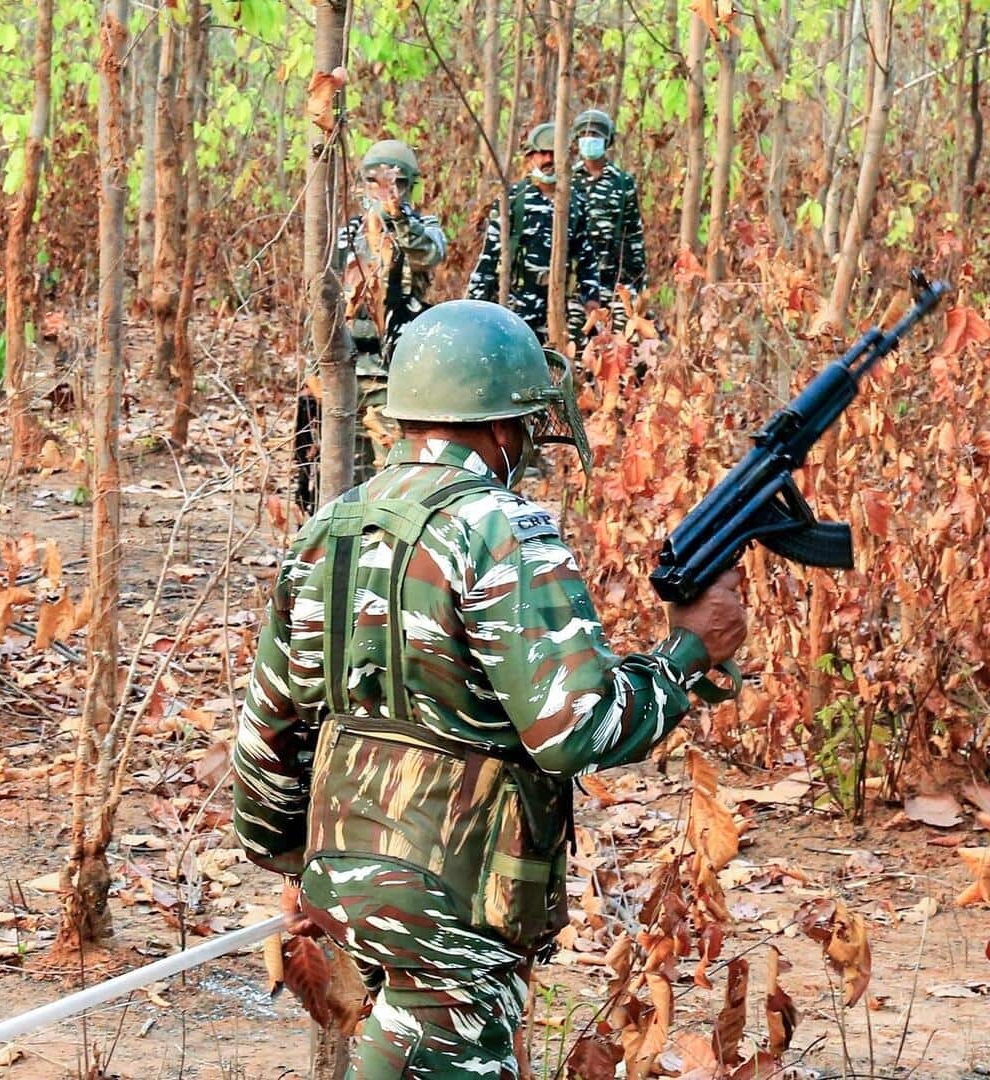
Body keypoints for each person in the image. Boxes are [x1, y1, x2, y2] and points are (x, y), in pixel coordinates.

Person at [233, 300, 748, 1079]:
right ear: (505, 429)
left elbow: (269, 732)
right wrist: (684, 657)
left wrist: (298, 865)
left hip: (348, 880)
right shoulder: (501, 528)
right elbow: (577, 729)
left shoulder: (330, 526)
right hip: (458, 897)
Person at [297, 139, 447, 515]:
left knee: (393, 478)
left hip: (393, 376)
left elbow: (429, 253)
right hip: (345, 370)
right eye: (376, 183)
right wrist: (314, 367)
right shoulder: (346, 235)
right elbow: (323, 298)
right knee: (339, 477)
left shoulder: (420, 230)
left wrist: (396, 217)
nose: (385, 191)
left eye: (396, 183)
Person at [466, 123, 603, 345]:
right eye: (543, 154)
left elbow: (586, 256)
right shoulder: (513, 200)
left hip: (561, 308)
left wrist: (592, 300)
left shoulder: (575, 201)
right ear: (531, 157)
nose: (549, 160)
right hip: (518, 304)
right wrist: (472, 308)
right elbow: (489, 258)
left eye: (554, 154)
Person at [568, 107, 646, 337]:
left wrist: (637, 284)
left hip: (615, 280)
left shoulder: (622, 183)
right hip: (577, 284)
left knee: (621, 343)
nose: (589, 140)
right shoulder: (568, 180)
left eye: (595, 135)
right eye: (584, 135)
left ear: (607, 141)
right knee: (578, 344)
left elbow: (633, 235)